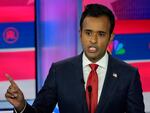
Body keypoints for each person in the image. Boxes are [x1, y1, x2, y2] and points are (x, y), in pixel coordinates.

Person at [5, 3, 145, 113]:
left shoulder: (128, 75)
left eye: (101, 34)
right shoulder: (59, 71)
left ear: (110, 38)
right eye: (88, 33)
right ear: (80, 34)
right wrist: (22, 106)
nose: (93, 40)